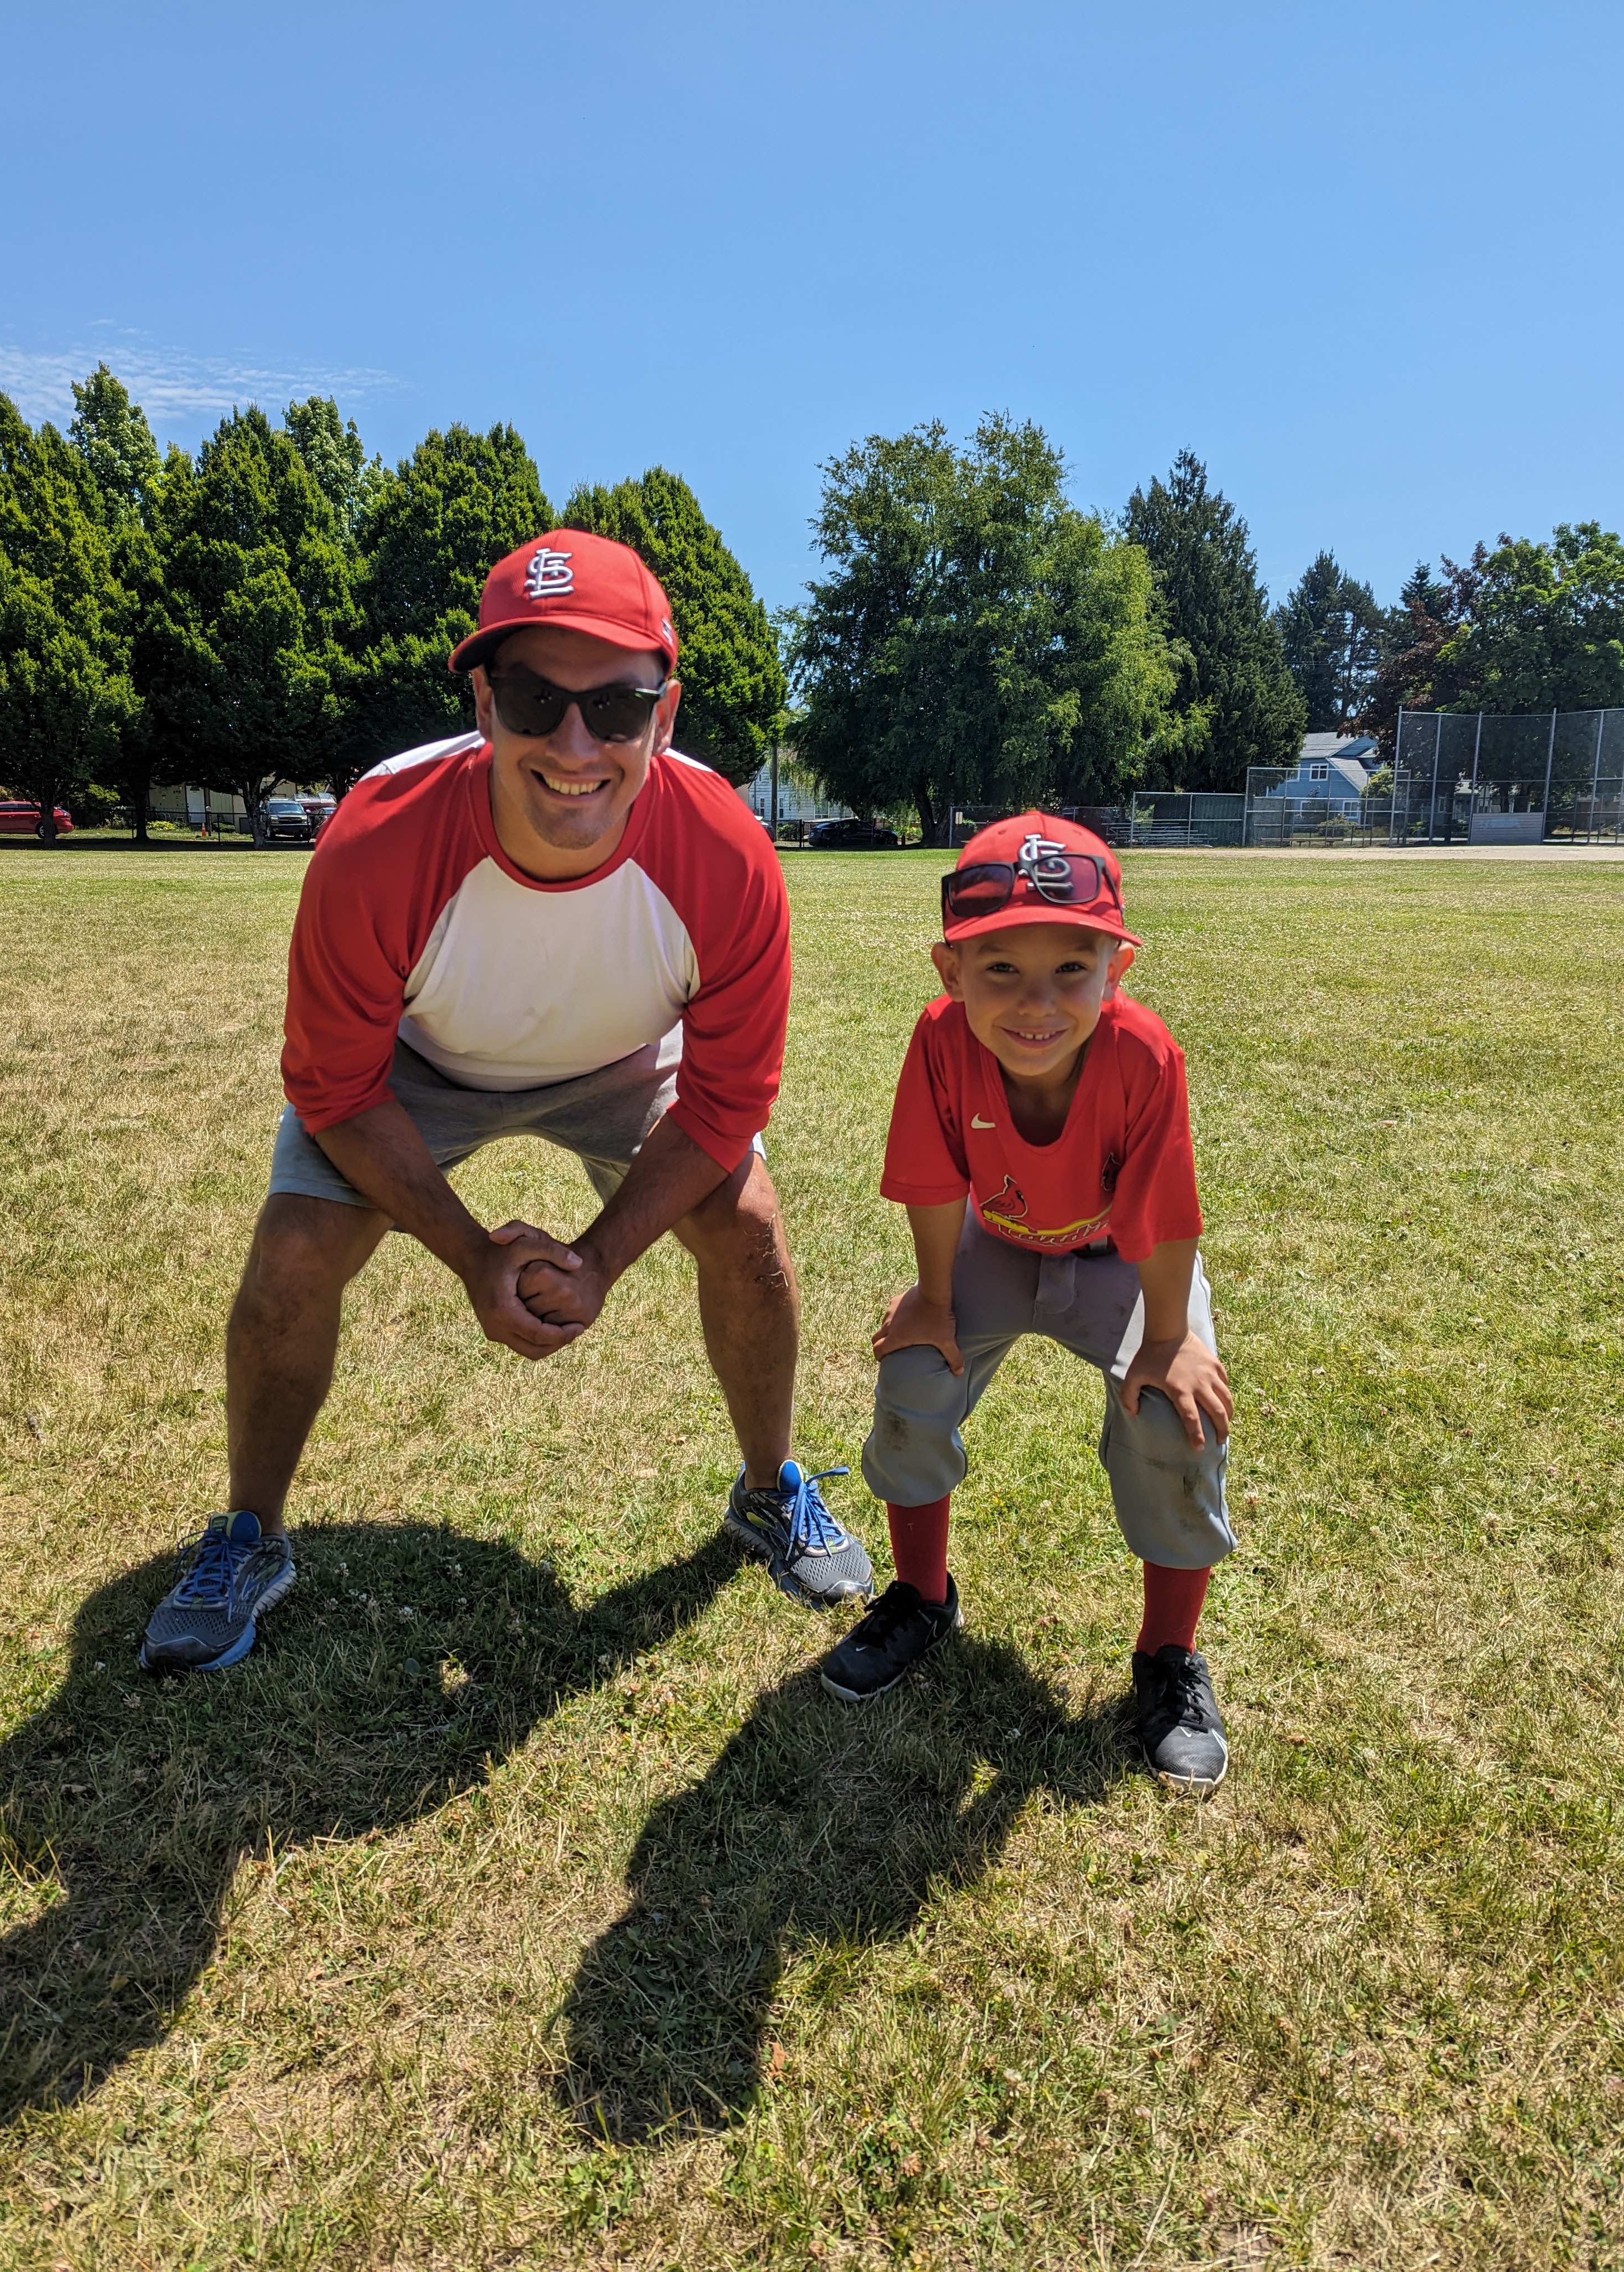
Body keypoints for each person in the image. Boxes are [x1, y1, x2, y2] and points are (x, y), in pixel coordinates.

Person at [139, 530, 873, 1674]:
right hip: (419, 1067)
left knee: (748, 1227)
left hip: (626, 1057)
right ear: (485, 703)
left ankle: (771, 1487)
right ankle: (249, 1532)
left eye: (618, 708)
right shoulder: (380, 836)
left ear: (664, 718)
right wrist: (476, 1254)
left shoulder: (725, 848)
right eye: (537, 697)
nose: (576, 743)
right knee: (291, 1251)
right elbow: (334, 1084)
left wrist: (601, 1256)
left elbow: (728, 1095)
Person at [817, 816, 1235, 1793]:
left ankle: (1168, 1660)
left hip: (1121, 1262)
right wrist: (930, 1296)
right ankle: (921, 1597)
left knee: (1178, 1417)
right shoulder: (937, 1039)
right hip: (998, 1245)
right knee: (915, 1378)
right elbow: (929, 1180)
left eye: (1071, 967)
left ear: (1116, 966)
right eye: (1000, 969)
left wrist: (1168, 1340)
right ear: (950, 970)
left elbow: (1167, 1217)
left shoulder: (1145, 1055)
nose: (1038, 1003)